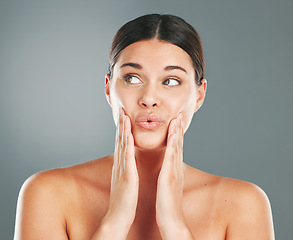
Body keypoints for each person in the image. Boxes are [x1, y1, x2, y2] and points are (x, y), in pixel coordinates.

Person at [14, 14, 274, 240]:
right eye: (132, 78)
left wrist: (174, 224)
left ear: (199, 95)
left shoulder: (244, 204)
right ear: (108, 88)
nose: (149, 98)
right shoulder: (47, 194)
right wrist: (115, 220)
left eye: (171, 81)